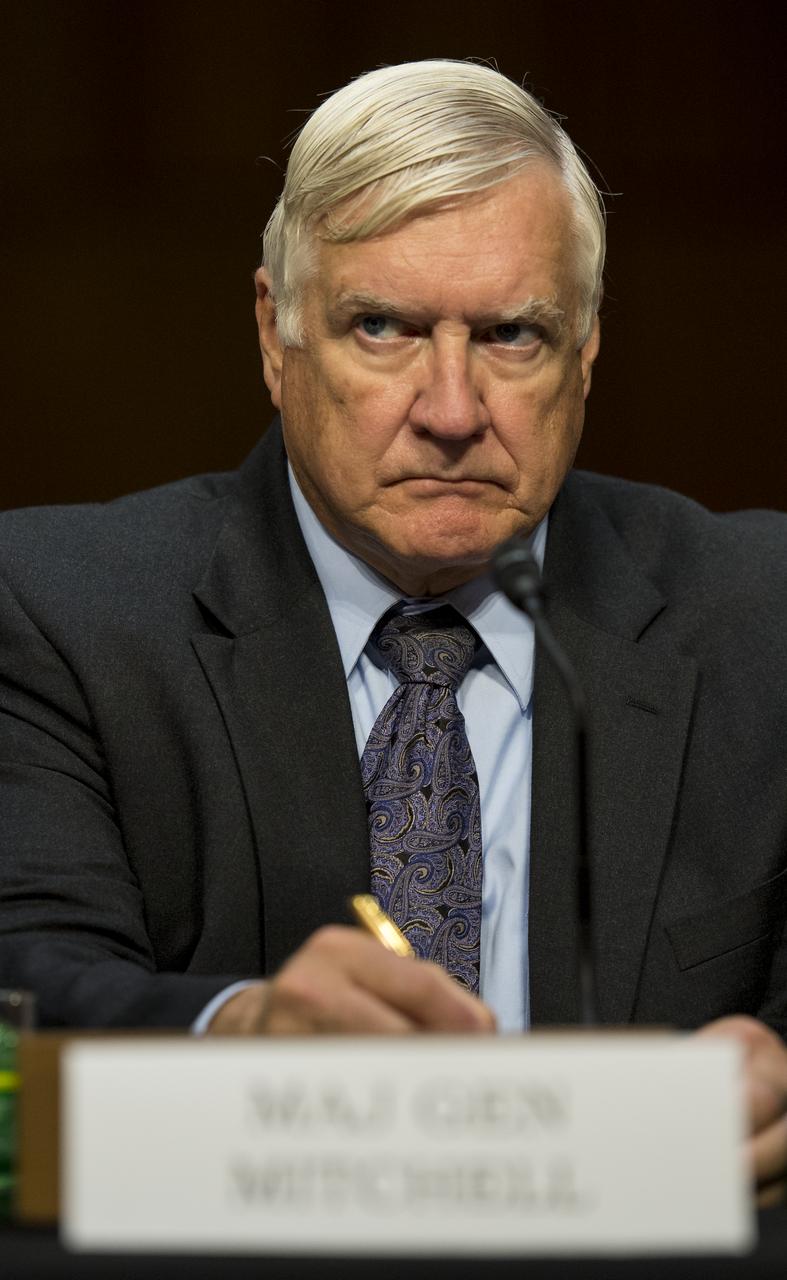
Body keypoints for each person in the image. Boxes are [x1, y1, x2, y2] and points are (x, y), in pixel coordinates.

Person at [0, 60, 785, 1202]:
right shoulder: (60, 611)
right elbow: (22, 987)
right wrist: (240, 1028)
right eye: (382, 327)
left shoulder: (761, 618)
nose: (454, 410)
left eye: (514, 334)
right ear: (276, 335)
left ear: (590, 348)